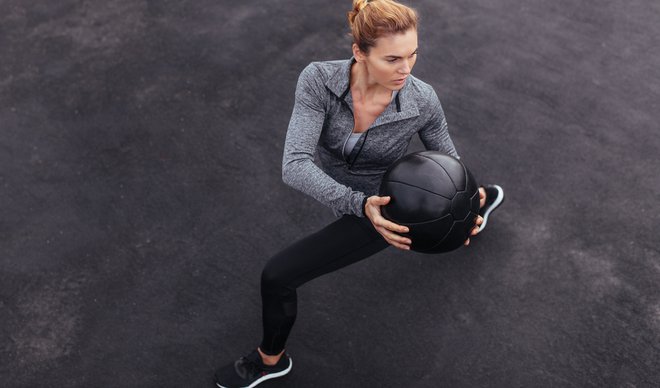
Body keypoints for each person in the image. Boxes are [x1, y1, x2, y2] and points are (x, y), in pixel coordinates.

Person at [214, 0, 505, 386]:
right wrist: (355, 202)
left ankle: (270, 361)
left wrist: (463, 210)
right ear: (359, 53)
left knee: (277, 277)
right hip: (360, 201)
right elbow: (295, 165)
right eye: (392, 59)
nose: (406, 70)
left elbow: (449, 161)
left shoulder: (422, 100)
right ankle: (486, 196)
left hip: (390, 208)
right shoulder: (318, 80)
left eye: (413, 55)